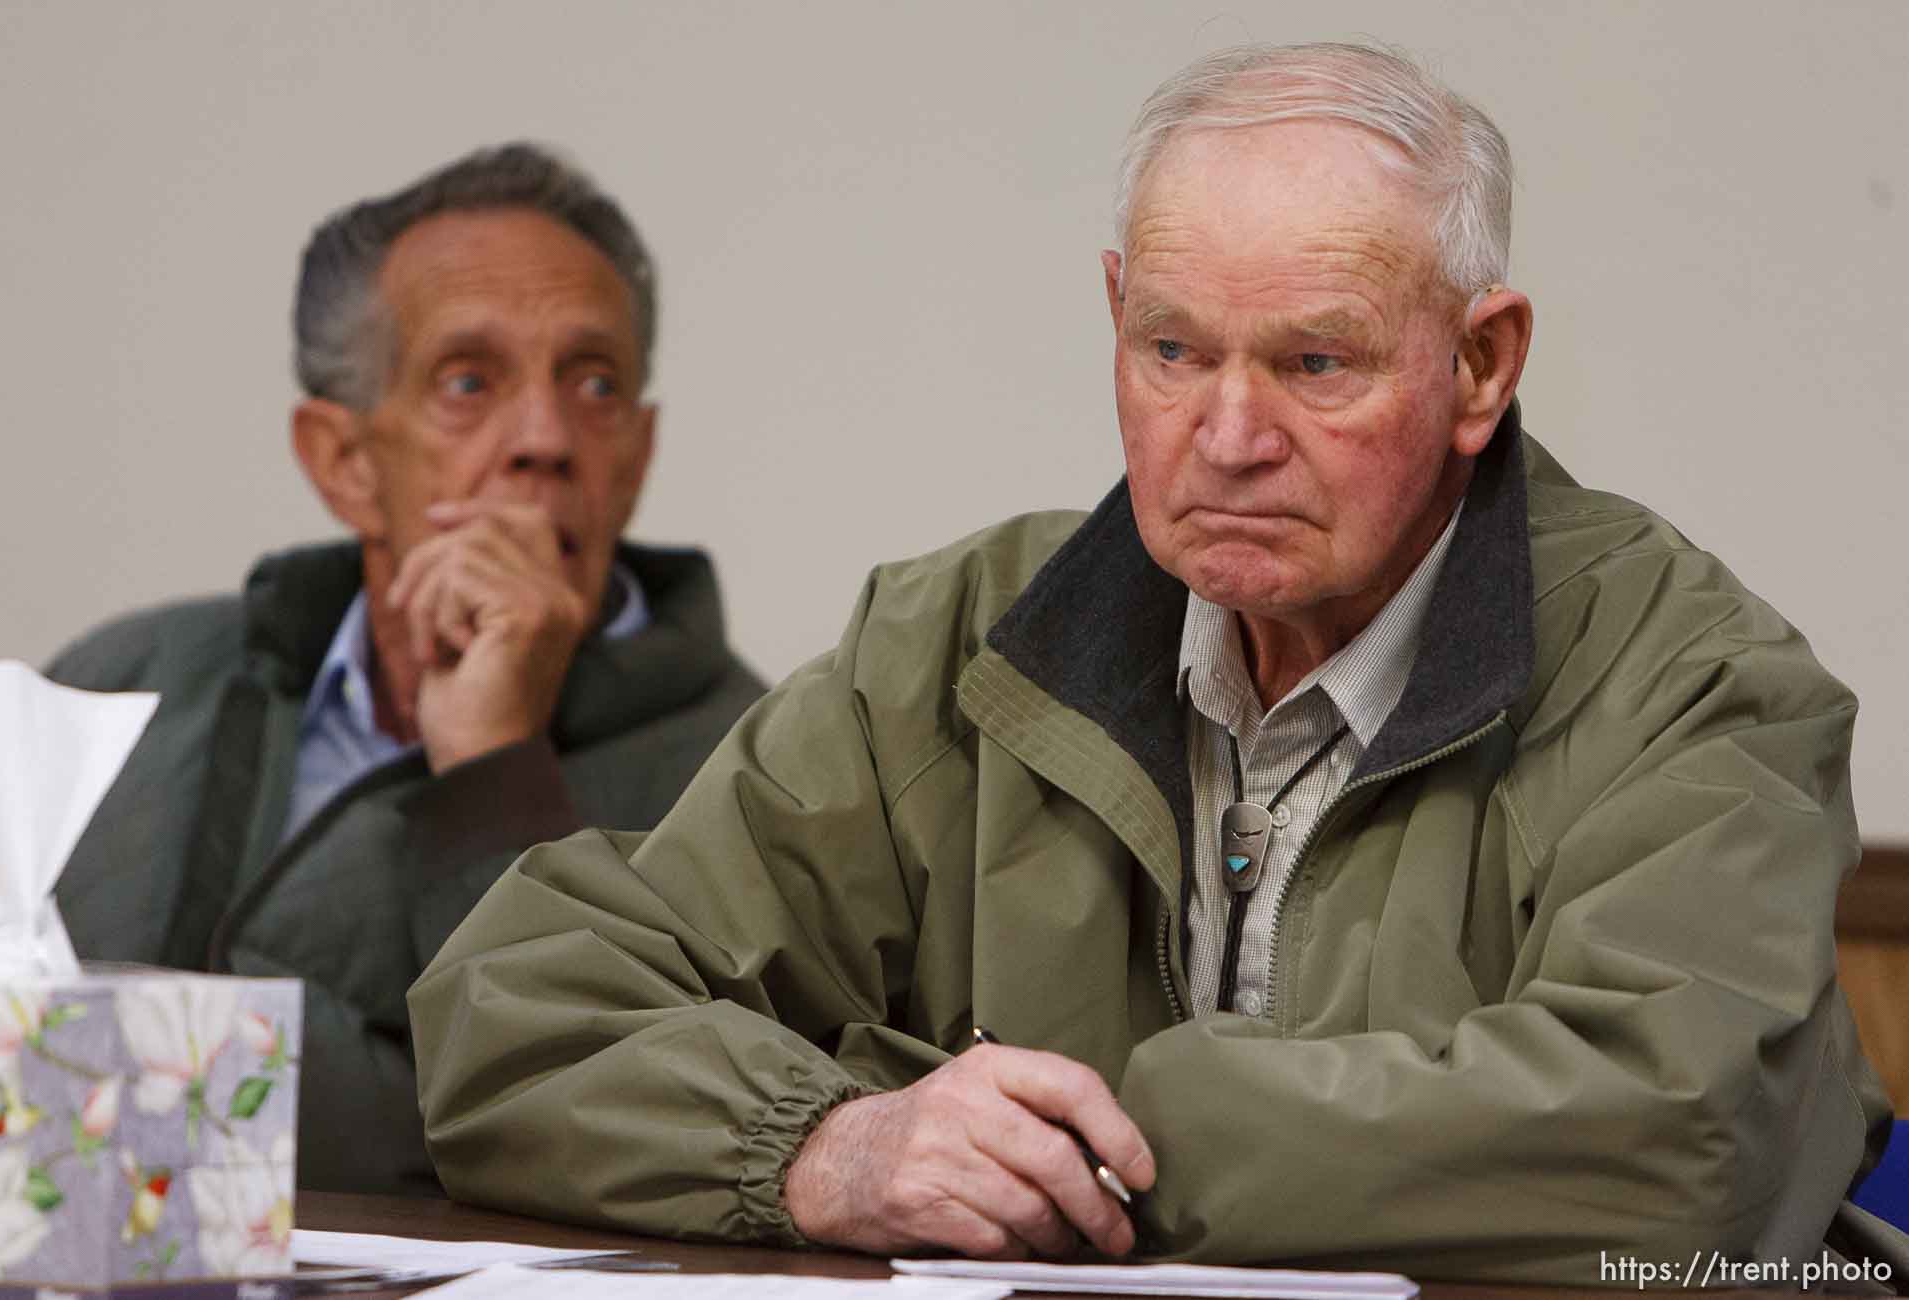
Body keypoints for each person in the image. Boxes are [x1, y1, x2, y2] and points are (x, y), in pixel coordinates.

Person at [409, 48, 1897, 1280]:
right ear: (1114, 317)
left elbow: (1678, 1153)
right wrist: (832, 1145)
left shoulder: (1694, 677)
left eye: (1315, 363)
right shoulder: (947, 642)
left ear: (1482, 366)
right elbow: (519, 1011)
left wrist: (1076, 1138)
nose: (1229, 436)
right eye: (1174, 352)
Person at [48, 143, 764, 1194]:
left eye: (595, 382)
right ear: (341, 461)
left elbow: (615, 1126)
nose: (545, 437)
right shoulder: (126, 677)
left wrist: (491, 759)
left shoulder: (755, 763)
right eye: (470, 380)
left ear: (638, 453)